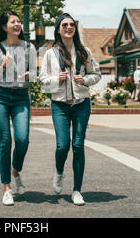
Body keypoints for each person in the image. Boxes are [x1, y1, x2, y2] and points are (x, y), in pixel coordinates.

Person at [39, 13, 101, 206]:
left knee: (78, 145)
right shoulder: (50, 54)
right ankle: (59, 172)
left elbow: (96, 74)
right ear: (58, 29)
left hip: (82, 104)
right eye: (64, 24)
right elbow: (42, 82)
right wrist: (57, 79)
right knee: (62, 145)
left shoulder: (85, 52)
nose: (68, 27)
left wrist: (85, 80)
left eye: (71, 24)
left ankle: (77, 190)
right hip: (60, 105)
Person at [0, 11, 37, 206]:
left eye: (18, 21)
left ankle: (15, 169)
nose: (17, 24)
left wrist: (28, 76)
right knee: (5, 140)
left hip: (21, 96)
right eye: (12, 22)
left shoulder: (29, 48)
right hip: (0, 96)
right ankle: (7, 188)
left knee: (23, 139)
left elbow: (34, 73)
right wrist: (3, 68)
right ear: (4, 27)